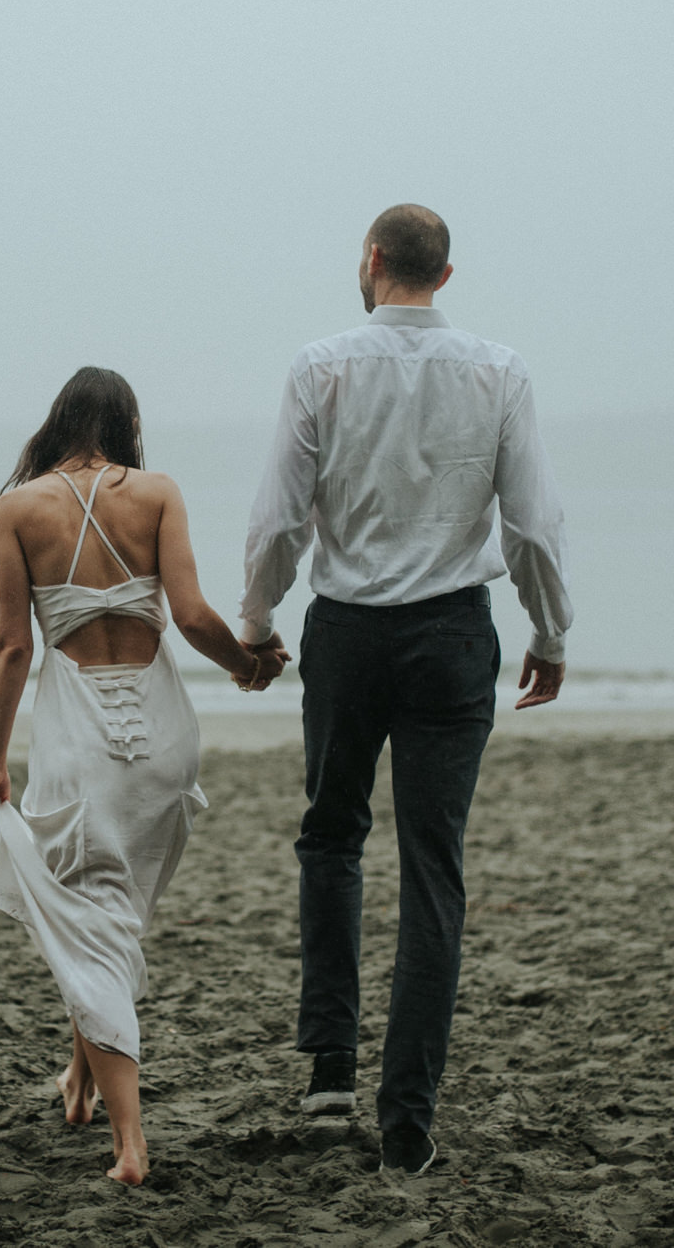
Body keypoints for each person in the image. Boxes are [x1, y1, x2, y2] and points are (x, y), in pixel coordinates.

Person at [240, 204, 573, 1175]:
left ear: (371, 260)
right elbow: (532, 527)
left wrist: (256, 624)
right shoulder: (498, 370)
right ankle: (407, 1116)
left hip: (344, 630)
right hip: (447, 632)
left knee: (331, 833)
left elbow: (277, 519)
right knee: (434, 869)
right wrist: (549, 631)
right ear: (445, 273)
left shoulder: (319, 365)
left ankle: (330, 1070)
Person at [0, 366, 284, 1185]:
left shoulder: (18, 508)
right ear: (126, 423)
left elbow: (15, 646)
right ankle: (78, 1079)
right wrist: (247, 666)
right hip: (162, 735)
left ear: (59, 421)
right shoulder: (155, 493)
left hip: (80, 736)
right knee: (107, 912)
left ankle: (131, 1143)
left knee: (94, 919)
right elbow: (188, 614)